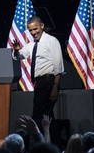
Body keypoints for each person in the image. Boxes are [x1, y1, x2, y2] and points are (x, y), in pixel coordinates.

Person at [12, 16, 64, 144]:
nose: (33, 32)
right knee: (47, 117)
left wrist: (55, 88)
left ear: (42, 26)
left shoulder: (52, 41)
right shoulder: (32, 45)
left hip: (48, 82)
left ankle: (38, 147)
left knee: (38, 117)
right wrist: (16, 50)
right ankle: (55, 147)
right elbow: (19, 56)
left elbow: (58, 67)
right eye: (30, 30)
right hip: (40, 83)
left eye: (35, 29)